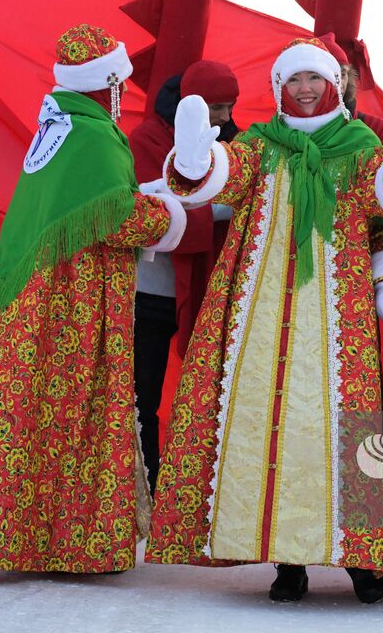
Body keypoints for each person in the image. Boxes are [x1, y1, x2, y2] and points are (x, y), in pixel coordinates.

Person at [146, 37, 383, 604]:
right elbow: (222, 182)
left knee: (347, 429)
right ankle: (287, 560)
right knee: (273, 429)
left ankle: (360, 558)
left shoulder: (360, 146)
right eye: (293, 82)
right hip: (265, 313)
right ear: (278, 90)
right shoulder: (261, 146)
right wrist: (193, 161)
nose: (304, 91)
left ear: (333, 85)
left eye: (314, 80)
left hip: (339, 315)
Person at [0, 24, 187, 571]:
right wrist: (168, 214)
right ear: (104, 84)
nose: (123, 93)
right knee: (74, 409)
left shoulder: (57, 125)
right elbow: (113, 216)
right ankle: (70, 540)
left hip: (37, 296)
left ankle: (23, 534)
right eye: (119, 82)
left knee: (34, 410)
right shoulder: (94, 134)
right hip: (73, 300)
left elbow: (83, 201)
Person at [127, 59, 240, 489]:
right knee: (143, 394)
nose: (225, 117)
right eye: (216, 107)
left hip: (211, 286)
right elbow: (154, 210)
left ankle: (201, 488)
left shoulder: (233, 142)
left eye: (230, 106)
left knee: (210, 397)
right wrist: (220, 205)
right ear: (191, 105)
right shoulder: (149, 138)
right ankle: (144, 484)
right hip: (152, 290)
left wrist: (198, 204)